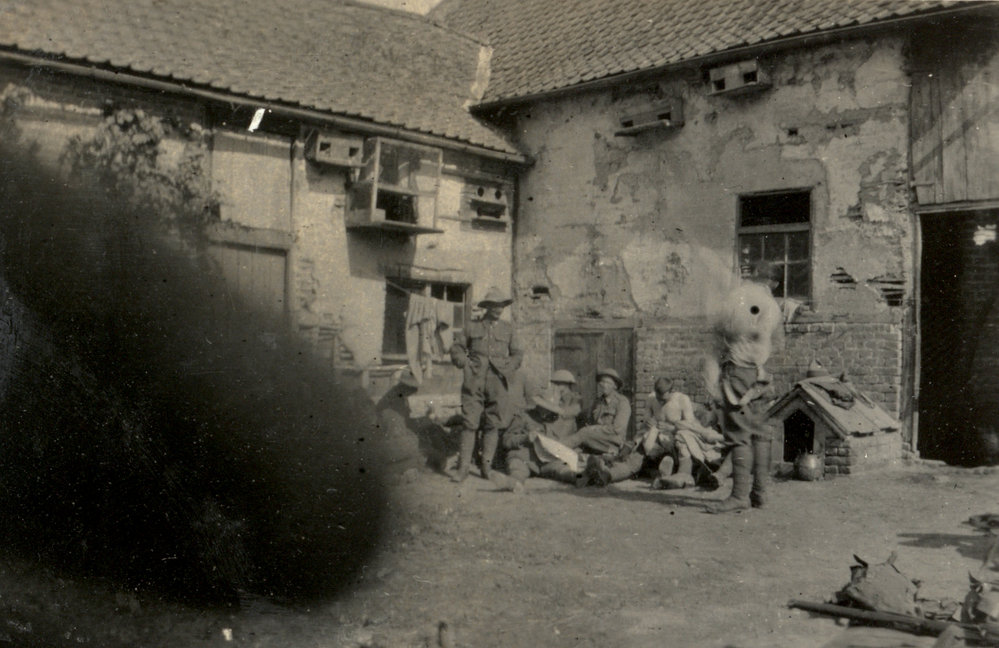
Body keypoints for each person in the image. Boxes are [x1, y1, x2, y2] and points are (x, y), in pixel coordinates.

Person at [704, 278, 782, 513]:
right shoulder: (772, 306)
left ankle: (739, 496)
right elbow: (776, 344)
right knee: (759, 436)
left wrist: (713, 383)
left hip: (738, 372)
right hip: (760, 374)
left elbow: (718, 338)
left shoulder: (736, 300)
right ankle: (760, 494)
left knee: (739, 437)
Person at [449, 287, 523, 483]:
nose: (498, 309)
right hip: (474, 381)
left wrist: (511, 366)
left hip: (498, 382)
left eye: (501, 305)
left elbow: (517, 354)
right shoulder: (472, 327)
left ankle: (486, 468)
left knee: (493, 425)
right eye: (494, 305)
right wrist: (464, 364)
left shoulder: (508, 329)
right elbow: (456, 348)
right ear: (487, 307)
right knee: (469, 423)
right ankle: (463, 469)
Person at [489, 396, 584, 492]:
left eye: (552, 410)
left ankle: (583, 477)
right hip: (525, 458)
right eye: (546, 408)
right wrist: (525, 438)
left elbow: (571, 443)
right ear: (539, 405)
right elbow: (507, 440)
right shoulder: (523, 417)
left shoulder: (561, 421)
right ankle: (514, 483)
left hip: (549, 461)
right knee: (517, 467)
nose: (549, 413)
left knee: (564, 471)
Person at [561, 368, 631, 455]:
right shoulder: (598, 402)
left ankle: (556, 448)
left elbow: (618, 428)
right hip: (598, 439)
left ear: (615, 386)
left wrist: (593, 429)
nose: (604, 385)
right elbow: (591, 421)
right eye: (602, 382)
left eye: (608, 383)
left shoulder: (622, 402)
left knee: (584, 433)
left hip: (614, 440)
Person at [548, 369, 581, 441]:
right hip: (557, 426)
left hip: (567, 428)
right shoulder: (557, 396)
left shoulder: (575, 397)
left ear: (567, 384)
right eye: (555, 384)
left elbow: (573, 413)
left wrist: (556, 403)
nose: (556, 386)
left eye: (558, 384)